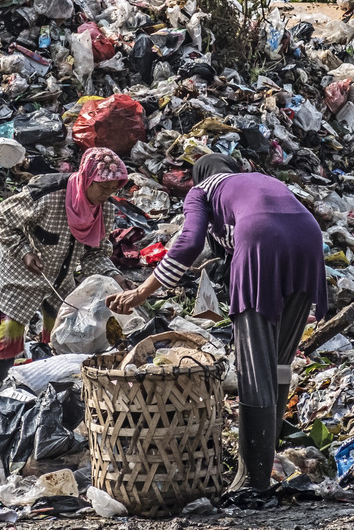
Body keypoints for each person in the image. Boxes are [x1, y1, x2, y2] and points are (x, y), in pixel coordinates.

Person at [107, 154, 328, 491]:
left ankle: (251, 482)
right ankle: (266, 466)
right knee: (280, 362)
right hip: (309, 241)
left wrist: (141, 292)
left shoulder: (202, 190)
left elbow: (188, 242)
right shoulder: (262, 179)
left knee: (255, 369)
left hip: (259, 241)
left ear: (199, 176)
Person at [0, 147, 129, 387]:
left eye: (113, 189)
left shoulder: (103, 208)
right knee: (11, 335)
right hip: (20, 273)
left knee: (62, 335)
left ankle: (47, 384)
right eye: (103, 187)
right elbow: (3, 216)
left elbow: (94, 254)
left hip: (59, 280)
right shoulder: (48, 194)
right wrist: (25, 252)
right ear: (87, 178)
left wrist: (114, 276)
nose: (107, 194)